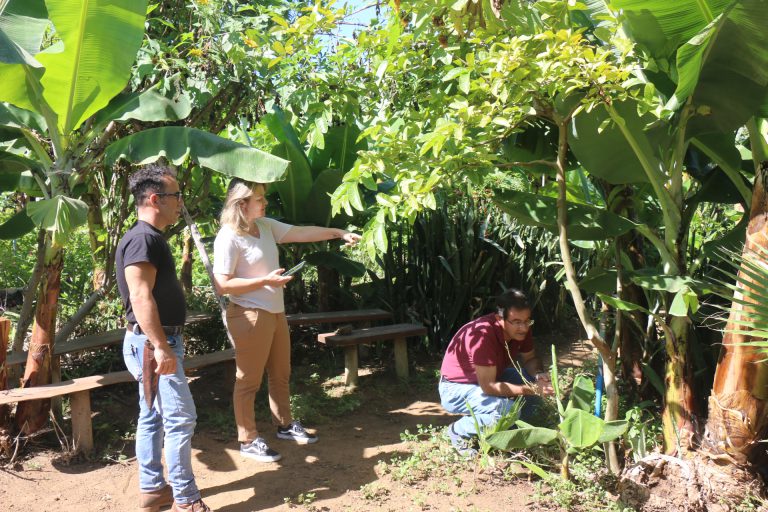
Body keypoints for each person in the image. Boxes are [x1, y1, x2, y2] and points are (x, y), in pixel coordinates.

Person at [212, 179, 361, 463]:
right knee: (248, 381)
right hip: (248, 314)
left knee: (281, 372)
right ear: (242, 203)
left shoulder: (266, 226)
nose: (264, 203)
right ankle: (248, 439)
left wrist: (338, 233)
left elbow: (301, 232)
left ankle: (284, 424)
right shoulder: (228, 236)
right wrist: (264, 281)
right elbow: (223, 285)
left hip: (275, 312)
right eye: (259, 199)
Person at [116, 163, 211, 512]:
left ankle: (154, 489)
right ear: (155, 199)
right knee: (180, 417)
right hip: (152, 343)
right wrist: (160, 347)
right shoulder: (143, 239)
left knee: (153, 416)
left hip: (150, 342)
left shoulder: (148, 238)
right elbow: (140, 297)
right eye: (176, 196)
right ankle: (185, 499)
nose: (180, 202)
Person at [439, 288, 554, 456]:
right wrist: (532, 388)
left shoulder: (522, 329)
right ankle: (457, 431)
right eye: (516, 322)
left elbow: (530, 359)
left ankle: (511, 434)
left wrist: (538, 375)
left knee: (530, 387)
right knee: (507, 410)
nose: (523, 327)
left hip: (490, 377)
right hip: (456, 388)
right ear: (500, 318)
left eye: (527, 321)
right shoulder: (482, 335)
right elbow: (489, 387)